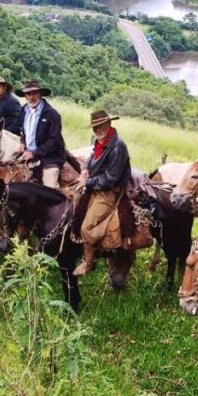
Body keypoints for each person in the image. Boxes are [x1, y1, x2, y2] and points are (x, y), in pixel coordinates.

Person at [73, 109, 131, 277]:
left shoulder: (117, 146)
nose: (98, 130)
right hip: (96, 187)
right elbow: (91, 159)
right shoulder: (101, 142)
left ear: (109, 124)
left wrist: (88, 182)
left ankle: (89, 261)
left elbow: (111, 178)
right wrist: (84, 170)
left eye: (101, 125)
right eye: (95, 127)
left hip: (108, 192)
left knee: (86, 228)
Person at [15, 80, 66, 188]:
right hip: (28, 154)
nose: (31, 97)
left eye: (34, 93)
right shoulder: (23, 110)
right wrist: (22, 141)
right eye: (28, 94)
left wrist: (34, 153)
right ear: (25, 96)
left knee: (49, 189)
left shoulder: (52, 114)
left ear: (40, 94)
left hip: (50, 157)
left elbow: (54, 140)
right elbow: (22, 129)